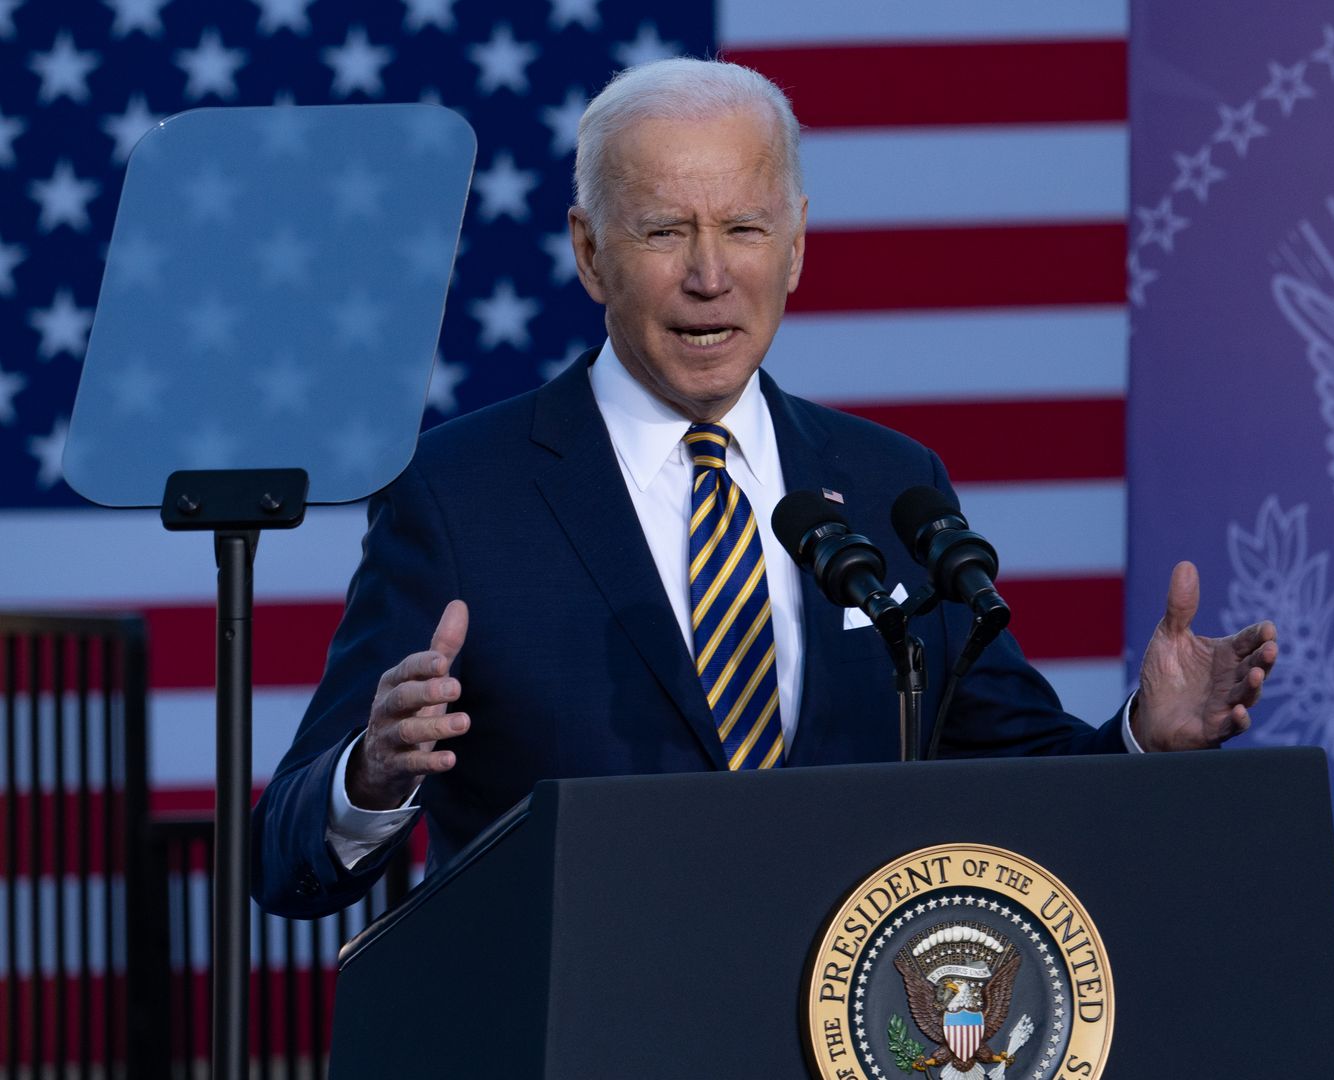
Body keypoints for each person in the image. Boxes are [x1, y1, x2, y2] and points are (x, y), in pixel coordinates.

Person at [252, 58, 1278, 919]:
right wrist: (373, 777)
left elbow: (1024, 782)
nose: (710, 275)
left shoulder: (889, 484)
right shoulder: (459, 494)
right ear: (589, 252)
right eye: (664, 232)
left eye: (743, 229)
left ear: (795, 248)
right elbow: (283, 858)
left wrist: (1148, 735)